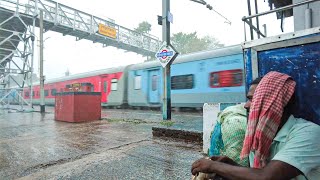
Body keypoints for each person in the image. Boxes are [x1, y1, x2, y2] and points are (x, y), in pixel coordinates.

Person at [191, 71, 320, 180]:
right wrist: (229, 164)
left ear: (274, 104)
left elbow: (265, 177)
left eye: (254, 99)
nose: (246, 105)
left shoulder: (308, 133)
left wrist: (213, 166)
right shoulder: (258, 138)